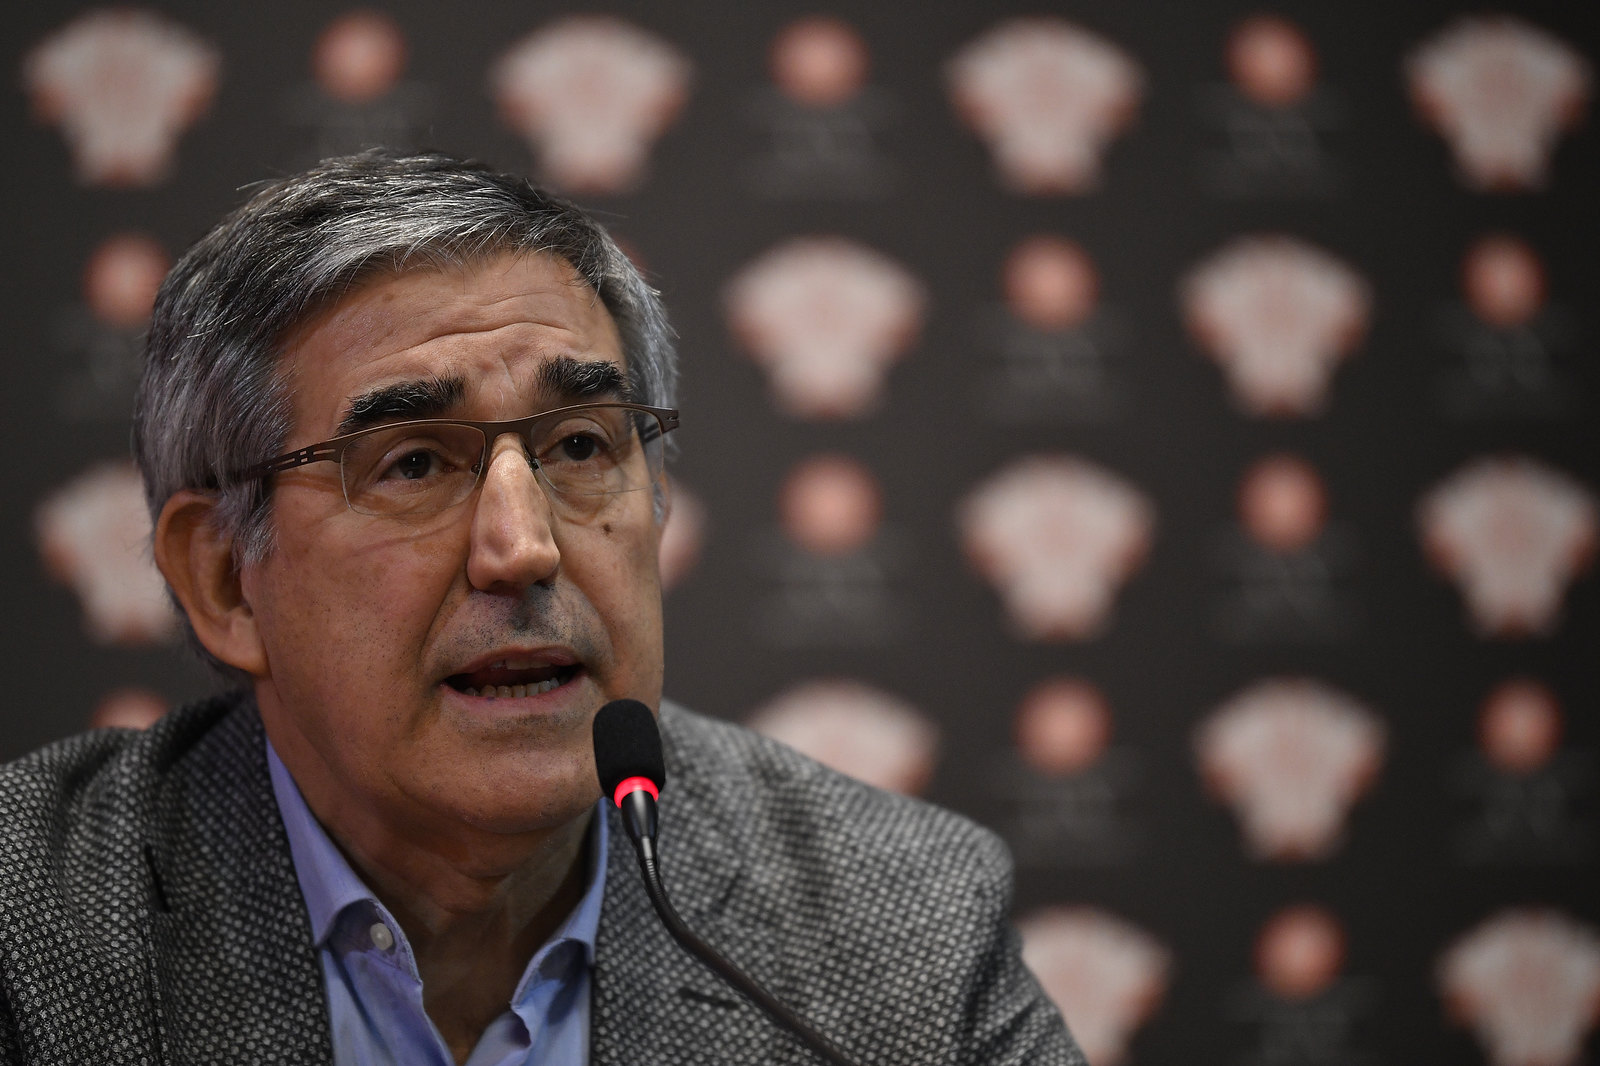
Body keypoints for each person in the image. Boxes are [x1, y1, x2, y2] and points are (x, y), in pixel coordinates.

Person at [0, 150, 1081, 1066]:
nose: (523, 548)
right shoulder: (32, 936)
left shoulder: (903, 934)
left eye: (578, 446)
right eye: (414, 463)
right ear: (225, 578)